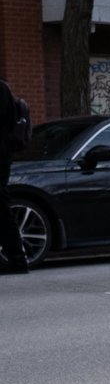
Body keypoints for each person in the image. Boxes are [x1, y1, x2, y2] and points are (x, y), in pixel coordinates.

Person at [0, 76, 28, 274]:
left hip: (0, 158)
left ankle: (17, 259)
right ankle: (16, 258)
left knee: (0, 207)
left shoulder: (1, 90)